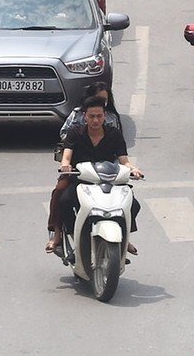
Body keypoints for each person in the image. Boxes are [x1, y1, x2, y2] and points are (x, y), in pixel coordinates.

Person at [47, 96, 140, 254]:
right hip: (79, 178)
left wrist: (133, 169)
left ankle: (125, 238)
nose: (96, 120)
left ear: (104, 116)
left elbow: (124, 160)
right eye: (92, 116)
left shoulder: (114, 134)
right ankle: (58, 235)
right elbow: (67, 156)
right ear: (85, 117)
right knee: (61, 197)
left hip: (108, 179)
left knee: (133, 203)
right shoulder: (75, 133)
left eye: (99, 116)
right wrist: (65, 165)